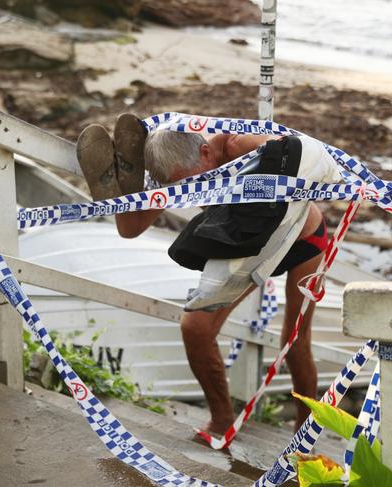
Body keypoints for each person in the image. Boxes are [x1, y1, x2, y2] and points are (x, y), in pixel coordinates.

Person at [76, 114, 336, 434]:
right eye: (179, 187)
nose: (189, 193)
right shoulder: (173, 166)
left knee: (295, 341)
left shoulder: (239, 146)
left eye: (191, 182)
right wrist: (120, 192)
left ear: (205, 153)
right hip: (246, 246)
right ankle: (222, 421)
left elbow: (302, 154)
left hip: (303, 239)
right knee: (196, 328)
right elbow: (131, 230)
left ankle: (304, 435)